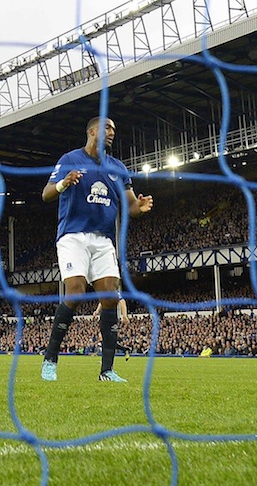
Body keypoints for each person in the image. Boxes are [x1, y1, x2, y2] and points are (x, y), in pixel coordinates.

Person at [41, 117, 153, 382]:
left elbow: (131, 207)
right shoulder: (70, 159)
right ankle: (50, 359)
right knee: (76, 291)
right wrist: (63, 183)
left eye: (114, 129)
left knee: (111, 298)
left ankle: (107, 371)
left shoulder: (117, 168)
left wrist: (141, 206)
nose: (111, 132)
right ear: (91, 131)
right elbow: (46, 194)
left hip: (103, 240)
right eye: (106, 128)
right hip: (73, 236)